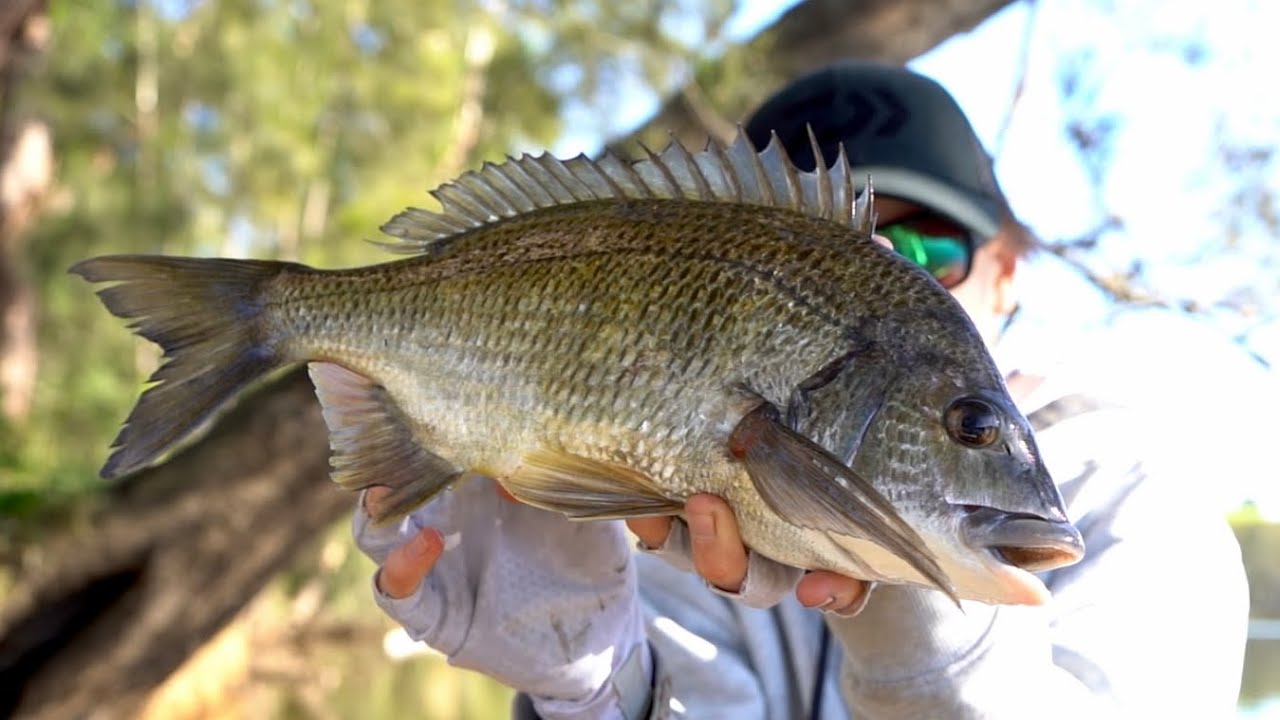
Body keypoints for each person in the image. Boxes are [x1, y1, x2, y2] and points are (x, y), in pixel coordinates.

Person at [352, 62, 1250, 719]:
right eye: (856, 250)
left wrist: (921, 608)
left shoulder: (1138, 503)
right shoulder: (675, 514)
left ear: (1009, 268)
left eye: (927, 251)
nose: (894, 269)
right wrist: (590, 688)